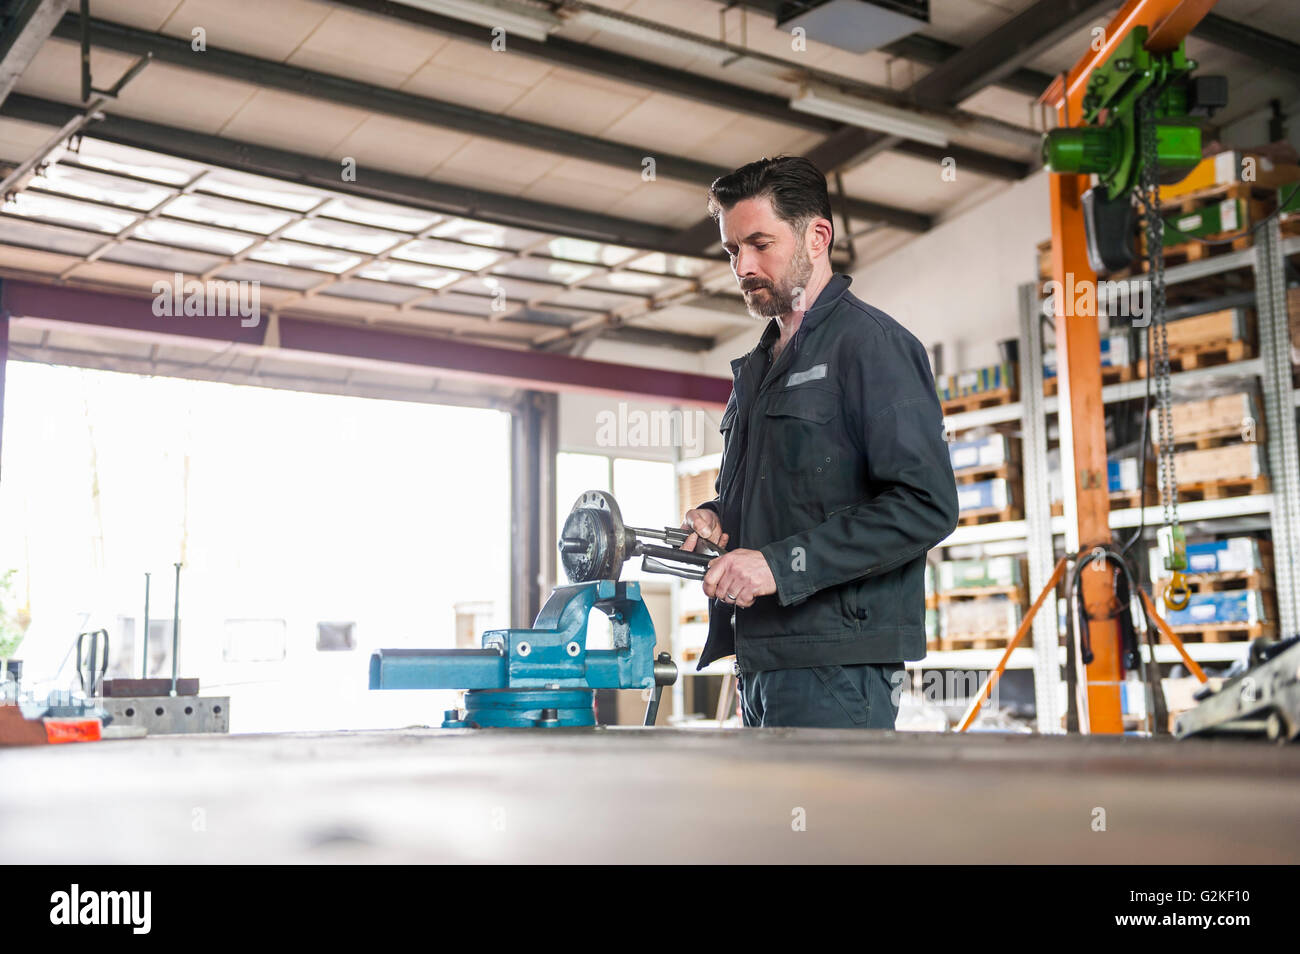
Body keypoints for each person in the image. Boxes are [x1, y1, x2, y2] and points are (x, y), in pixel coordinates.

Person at [681, 155, 959, 729]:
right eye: (733, 251)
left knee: (833, 823)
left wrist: (778, 567)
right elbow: (785, 493)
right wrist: (717, 515)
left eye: (760, 243)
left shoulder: (872, 347)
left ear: (817, 236)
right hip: (762, 659)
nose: (743, 266)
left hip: (838, 667)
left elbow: (926, 505)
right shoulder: (759, 366)